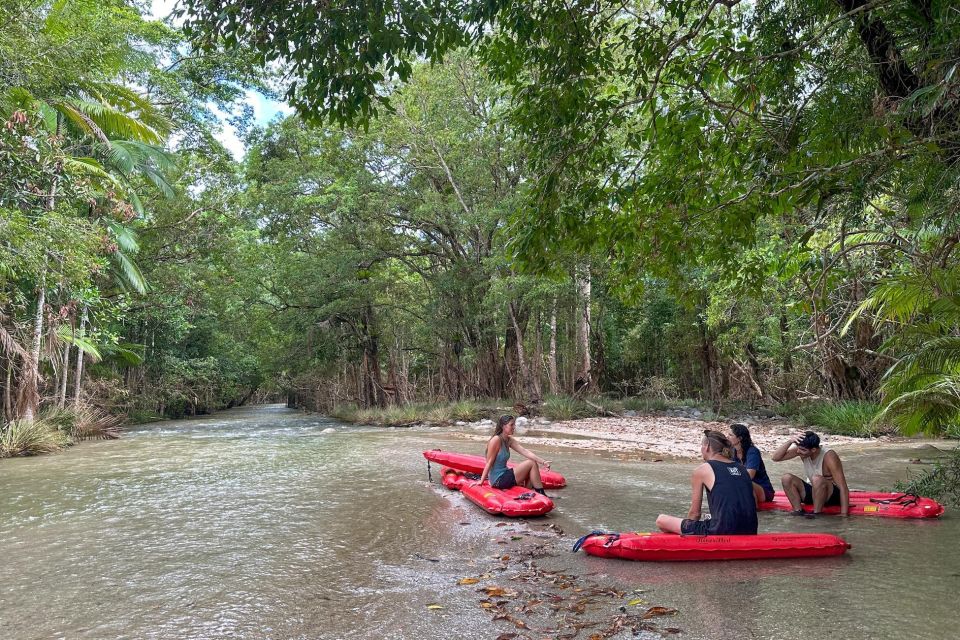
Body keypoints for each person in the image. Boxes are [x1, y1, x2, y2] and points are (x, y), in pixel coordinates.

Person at [656, 430, 758, 536]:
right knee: (709, 517)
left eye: (701, 446)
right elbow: (754, 503)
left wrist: (689, 529)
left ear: (707, 446)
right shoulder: (742, 468)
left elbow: (695, 514)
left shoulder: (702, 470)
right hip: (750, 530)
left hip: (721, 530)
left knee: (661, 520)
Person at [771, 430, 849, 516]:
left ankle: (816, 513)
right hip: (814, 492)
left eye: (803, 450)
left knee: (817, 479)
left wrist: (844, 514)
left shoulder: (829, 456)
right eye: (799, 448)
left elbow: (843, 487)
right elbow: (775, 458)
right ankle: (798, 511)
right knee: (786, 478)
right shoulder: (801, 450)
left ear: (813, 450)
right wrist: (790, 441)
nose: (798, 452)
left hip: (831, 496)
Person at [476, 414, 552, 495]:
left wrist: (543, 462)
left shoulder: (509, 440)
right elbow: (489, 462)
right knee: (531, 463)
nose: (514, 427)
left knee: (532, 466)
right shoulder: (496, 440)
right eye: (511, 425)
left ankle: (526, 493)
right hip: (497, 479)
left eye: (514, 424)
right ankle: (541, 494)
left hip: (505, 474)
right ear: (503, 426)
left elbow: (524, 451)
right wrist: (481, 481)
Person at [729, 423, 776, 505]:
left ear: (739, 438)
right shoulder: (733, 452)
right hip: (744, 487)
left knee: (745, 481)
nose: (727, 437)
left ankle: (754, 513)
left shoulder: (752, 452)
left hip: (764, 491)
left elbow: (750, 475)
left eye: (730, 435)